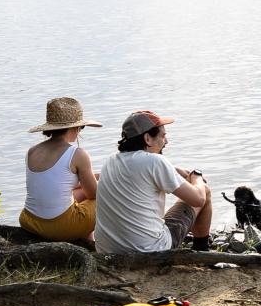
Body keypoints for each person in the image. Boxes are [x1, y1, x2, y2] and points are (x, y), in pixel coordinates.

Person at [93, 109, 213, 255]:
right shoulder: (155, 162)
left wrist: (173, 169)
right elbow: (198, 199)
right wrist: (197, 176)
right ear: (147, 138)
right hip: (151, 250)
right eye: (163, 136)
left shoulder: (111, 160)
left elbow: (137, 168)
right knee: (204, 190)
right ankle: (202, 251)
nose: (166, 141)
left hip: (107, 251)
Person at [17, 97, 101, 242]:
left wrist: (95, 177)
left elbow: (55, 183)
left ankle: (87, 239)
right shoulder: (78, 154)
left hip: (29, 220)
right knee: (105, 198)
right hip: (60, 227)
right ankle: (89, 241)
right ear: (75, 127)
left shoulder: (32, 151)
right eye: (82, 127)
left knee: (77, 193)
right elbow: (93, 193)